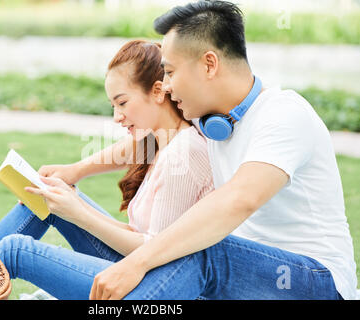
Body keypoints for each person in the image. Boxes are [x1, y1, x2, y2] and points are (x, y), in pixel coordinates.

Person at [86, 0, 357, 300]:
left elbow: (239, 199)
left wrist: (138, 261)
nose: (167, 86)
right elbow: (151, 141)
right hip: (246, 275)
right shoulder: (214, 121)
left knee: (201, 248)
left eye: (171, 72)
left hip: (317, 282)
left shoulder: (283, 114)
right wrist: (77, 170)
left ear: (209, 64)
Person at [0, 40, 214, 299]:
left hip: (155, 283)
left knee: (14, 251)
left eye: (123, 103)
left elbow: (153, 251)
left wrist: (79, 213)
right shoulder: (161, 140)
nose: (117, 116)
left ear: (158, 92)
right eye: (113, 106)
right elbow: (128, 151)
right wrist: (73, 176)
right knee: (47, 194)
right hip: (136, 265)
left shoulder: (183, 153)